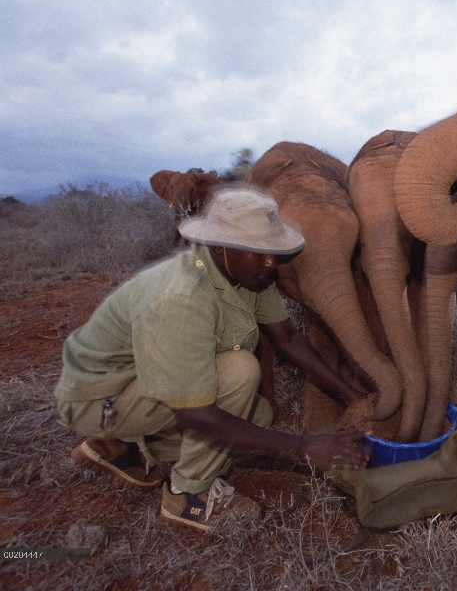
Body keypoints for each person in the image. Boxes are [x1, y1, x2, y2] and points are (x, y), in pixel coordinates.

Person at [55, 186, 371, 531]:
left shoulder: (250, 273)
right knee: (239, 373)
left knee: (258, 416)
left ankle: (117, 445)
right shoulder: (181, 298)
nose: (270, 263)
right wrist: (303, 447)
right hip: (100, 397)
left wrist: (350, 394)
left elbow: (287, 337)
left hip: (137, 384)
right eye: (259, 252)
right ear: (221, 247)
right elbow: (196, 416)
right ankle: (187, 494)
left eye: (274, 252)